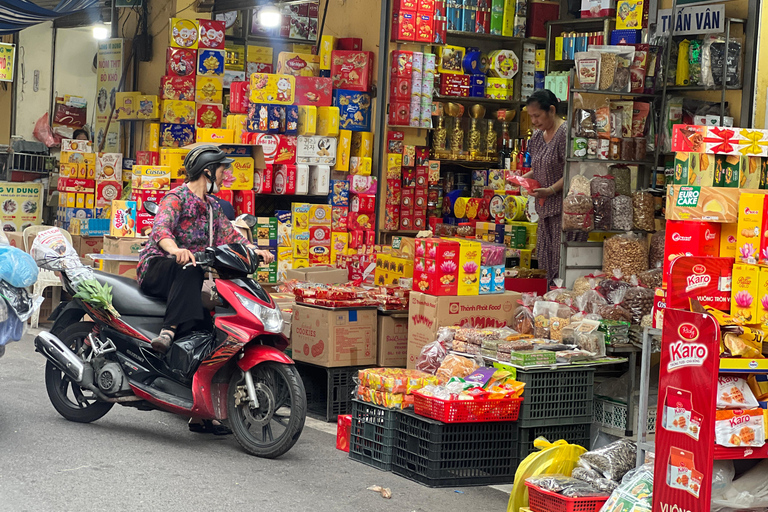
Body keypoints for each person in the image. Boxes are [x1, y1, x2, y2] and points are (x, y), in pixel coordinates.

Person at [137, 145, 274, 354]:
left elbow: (231, 235)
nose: (224, 176)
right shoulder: (176, 198)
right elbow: (161, 229)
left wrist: (254, 251)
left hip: (191, 275)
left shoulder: (213, 207)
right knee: (190, 268)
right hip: (158, 268)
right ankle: (168, 331)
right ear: (208, 172)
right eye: (221, 171)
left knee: (204, 317)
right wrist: (175, 250)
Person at [522, 89, 570, 285]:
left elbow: (572, 170)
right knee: (545, 260)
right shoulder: (537, 136)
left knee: (560, 262)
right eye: (531, 116)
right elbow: (539, 166)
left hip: (563, 211)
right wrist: (521, 178)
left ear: (551, 110)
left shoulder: (565, 133)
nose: (534, 121)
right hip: (543, 210)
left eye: (537, 115)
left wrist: (551, 190)